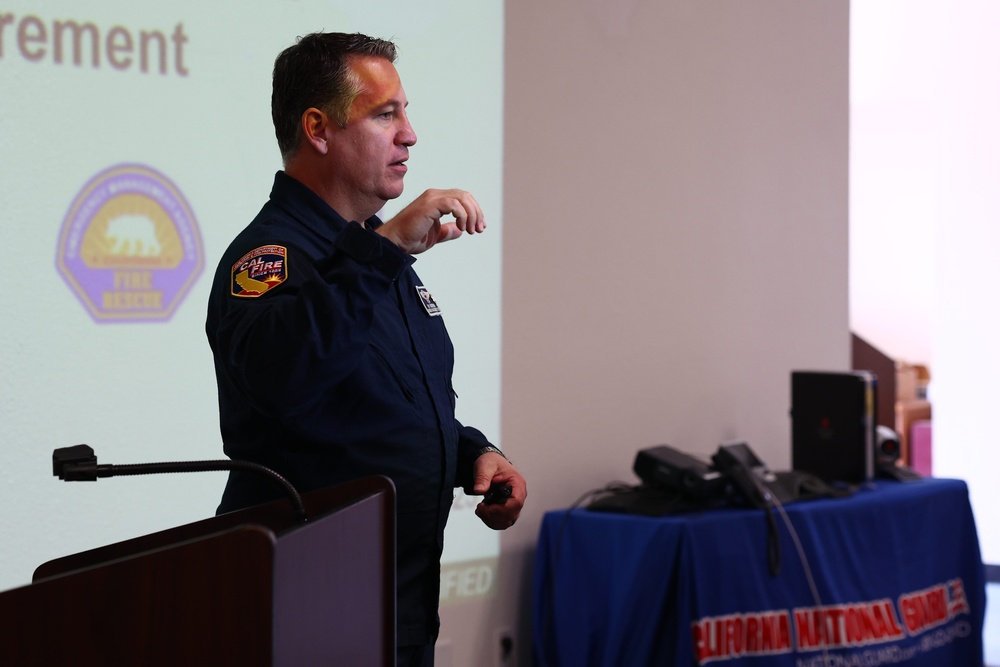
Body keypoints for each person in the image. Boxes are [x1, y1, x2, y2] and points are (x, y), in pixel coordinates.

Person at [205, 31, 526, 666]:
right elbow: (283, 380)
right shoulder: (269, 258)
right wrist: (383, 253)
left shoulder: (379, 251)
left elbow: (382, 405)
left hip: (400, 612)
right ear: (319, 129)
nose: (410, 134)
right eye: (386, 114)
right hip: (304, 615)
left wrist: (475, 454)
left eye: (405, 112)